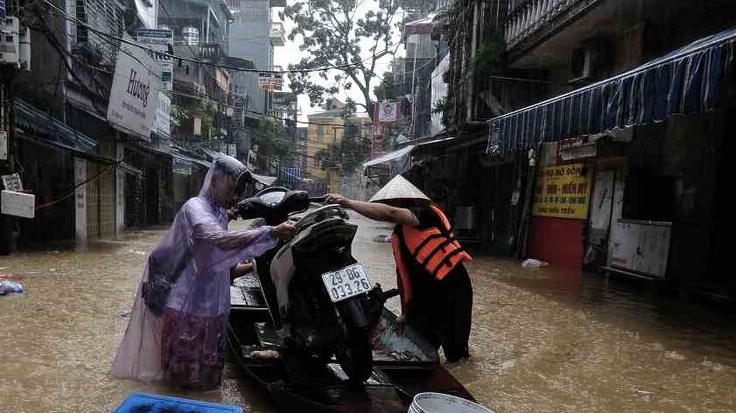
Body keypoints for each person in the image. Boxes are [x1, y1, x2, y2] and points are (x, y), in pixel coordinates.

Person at [113, 155, 297, 390]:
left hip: (215, 313)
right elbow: (216, 239)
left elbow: (220, 266)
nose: (236, 197)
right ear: (215, 181)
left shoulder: (220, 214)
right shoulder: (194, 208)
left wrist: (257, 261)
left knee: (209, 383)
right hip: (186, 312)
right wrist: (271, 232)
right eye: (233, 188)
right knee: (180, 383)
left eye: (240, 190)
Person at [326, 174, 473, 361]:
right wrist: (405, 312)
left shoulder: (427, 214)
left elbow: (390, 213)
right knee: (422, 349)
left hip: (452, 290)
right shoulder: (399, 234)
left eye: (392, 203)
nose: (388, 208)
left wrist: (349, 203)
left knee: (456, 353)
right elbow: (404, 276)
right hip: (425, 297)